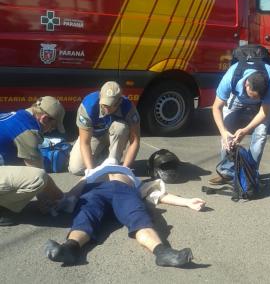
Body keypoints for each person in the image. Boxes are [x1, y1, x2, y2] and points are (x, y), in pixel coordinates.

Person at [45, 160, 206, 267]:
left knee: (139, 219)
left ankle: (162, 252)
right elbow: (76, 190)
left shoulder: (130, 174)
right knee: (85, 214)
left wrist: (187, 201)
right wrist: (64, 201)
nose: (112, 160)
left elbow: (157, 194)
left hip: (124, 192)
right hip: (95, 192)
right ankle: (69, 248)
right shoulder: (91, 172)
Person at [0, 96, 67, 225]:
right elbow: (38, 173)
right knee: (39, 178)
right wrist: (63, 199)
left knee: (23, 165)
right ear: (44, 119)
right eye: (53, 126)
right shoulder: (27, 131)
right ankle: (4, 208)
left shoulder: (17, 116)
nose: (52, 130)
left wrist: (42, 198)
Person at [208, 63, 270, 184]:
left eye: (255, 97)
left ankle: (249, 173)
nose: (252, 100)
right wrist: (224, 133)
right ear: (246, 84)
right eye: (252, 96)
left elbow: (264, 112)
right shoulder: (231, 77)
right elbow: (216, 108)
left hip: (262, 105)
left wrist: (245, 130)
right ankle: (227, 172)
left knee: (260, 134)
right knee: (227, 132)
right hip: (237, 98)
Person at [68, 81, 141, 175]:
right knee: (76, 169)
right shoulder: (88, 106)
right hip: (94, 135)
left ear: (119, 102)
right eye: (104, 104)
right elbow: (85, 142)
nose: (106, 108)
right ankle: (103, 154)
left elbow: (135, 141)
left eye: (110, 105)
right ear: (100, 97)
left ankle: (113, 162)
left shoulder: (128, 108)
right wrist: (91, 172)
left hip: (116, 134)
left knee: (121, 128)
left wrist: (125, 169)